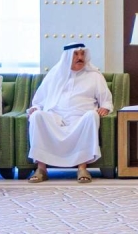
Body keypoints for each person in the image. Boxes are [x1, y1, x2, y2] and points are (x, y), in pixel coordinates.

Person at [27, 42, 113, 183]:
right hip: (55, 117)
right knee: (37, 116)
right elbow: (39, 100)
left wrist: (105, 107)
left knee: (92, 115)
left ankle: (82, 168)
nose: (80, 57)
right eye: (76, 54)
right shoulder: (54, 75)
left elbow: (106, 99)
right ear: (67, 56)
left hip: (81, 117)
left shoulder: (94, 76)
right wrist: (35, 108)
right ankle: (41, 169)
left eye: (82, 54)